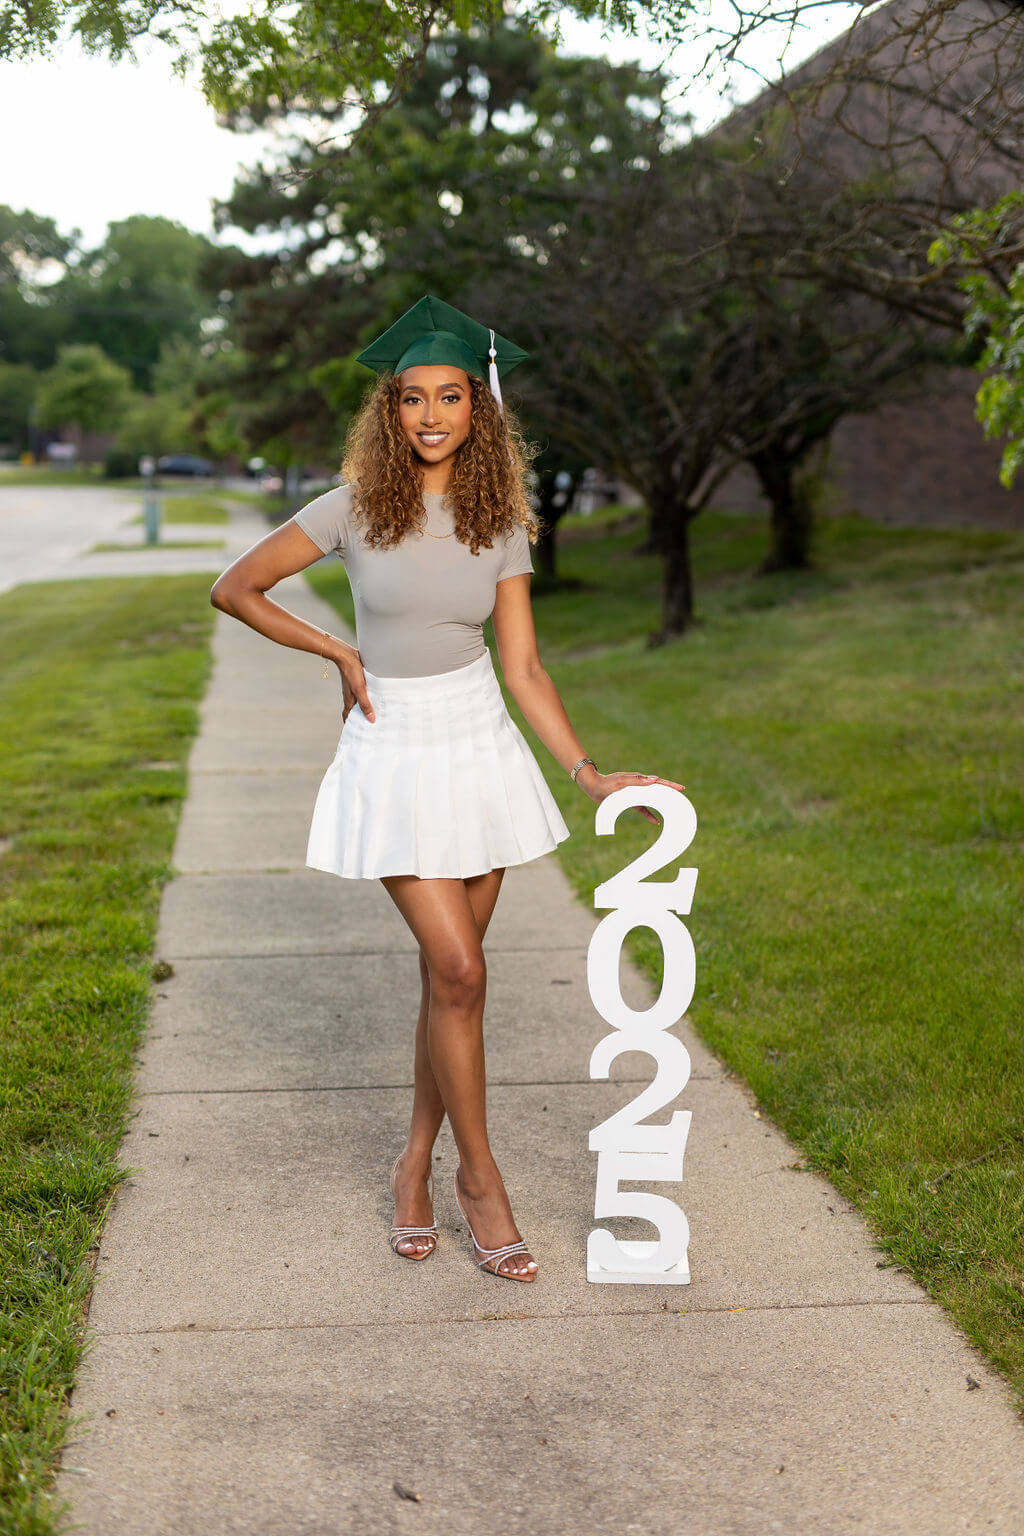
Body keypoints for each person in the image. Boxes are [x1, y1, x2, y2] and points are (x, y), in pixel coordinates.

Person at [210, 294, 684, 1283]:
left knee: (448, 982)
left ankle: (412, 1165)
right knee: (461, 972)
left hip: (479, 747)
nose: (432, 416)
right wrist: (336, 651)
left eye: (452, 397)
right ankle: (482, 1178)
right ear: (391, 411)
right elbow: (237, 589)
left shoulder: (499, 519)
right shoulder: (348, 509)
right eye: (414, 398)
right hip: (393, 748)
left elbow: (523, 668)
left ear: (480, 409)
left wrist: (586, 773)